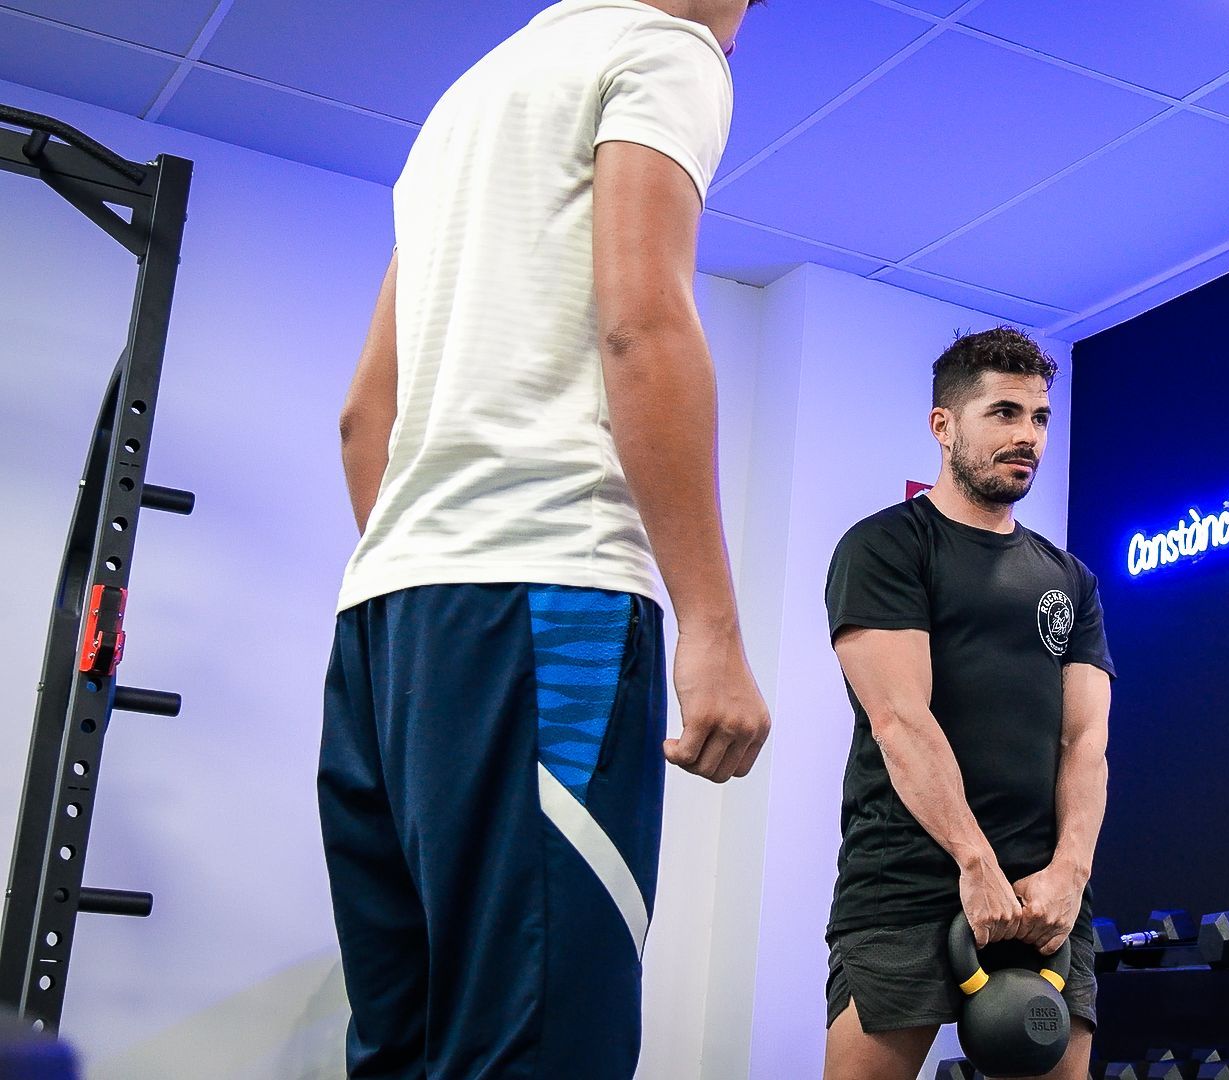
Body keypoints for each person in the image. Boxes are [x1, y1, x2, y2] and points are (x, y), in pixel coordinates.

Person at [321, 1, 769, 1075]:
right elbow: (641, 322)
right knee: (539, 1045)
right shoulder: (662, 51)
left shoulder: (467, 102)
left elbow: (361, 421)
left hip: (386, 633)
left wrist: (435, 571)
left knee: (407, 1043)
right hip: (551, 610)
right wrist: (709, 625)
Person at [820, 328, 1115, 1079]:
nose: (1027, 436)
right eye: (1004, 412)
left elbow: (1084, 743)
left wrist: (1070, 875)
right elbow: (899, 719)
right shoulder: (888, 547)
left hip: (1046, 893)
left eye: (1040, 417)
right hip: (909, 882)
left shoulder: (1069, 579)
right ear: (943, 425)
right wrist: (974, 863)